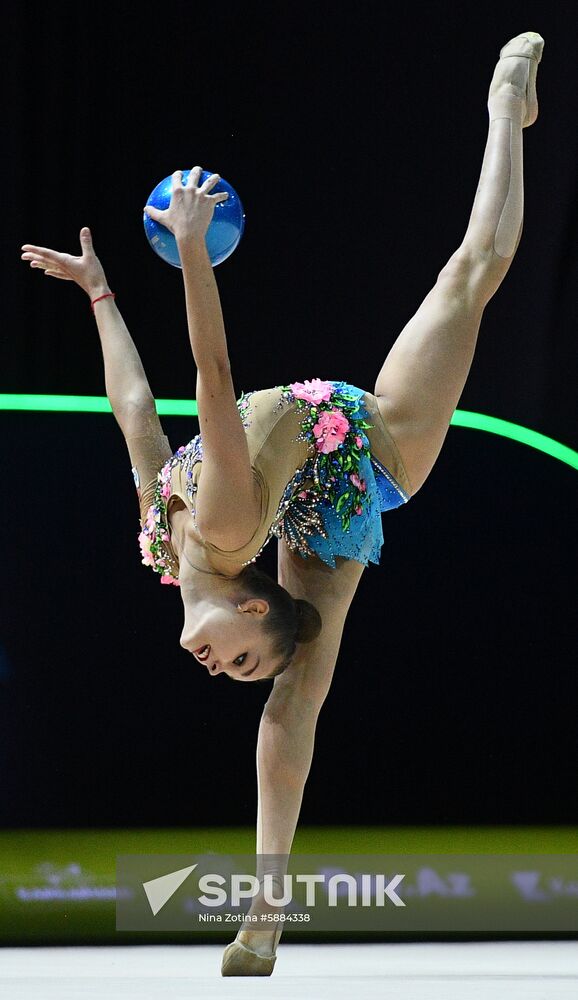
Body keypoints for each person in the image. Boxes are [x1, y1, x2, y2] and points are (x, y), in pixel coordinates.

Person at [21, 30, 544, 975]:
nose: (220, 669)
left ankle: (263, 919)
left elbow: (136, 412)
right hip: (364, 458)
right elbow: (211, 378)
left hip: (300, 488)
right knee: (470, 274)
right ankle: (506, 110)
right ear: (251, 605)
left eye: (225, 671)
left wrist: (100, 296)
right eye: (241, 659)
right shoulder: (221, 525)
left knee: (292, 696)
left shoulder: (162, 541)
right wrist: (191, 256)